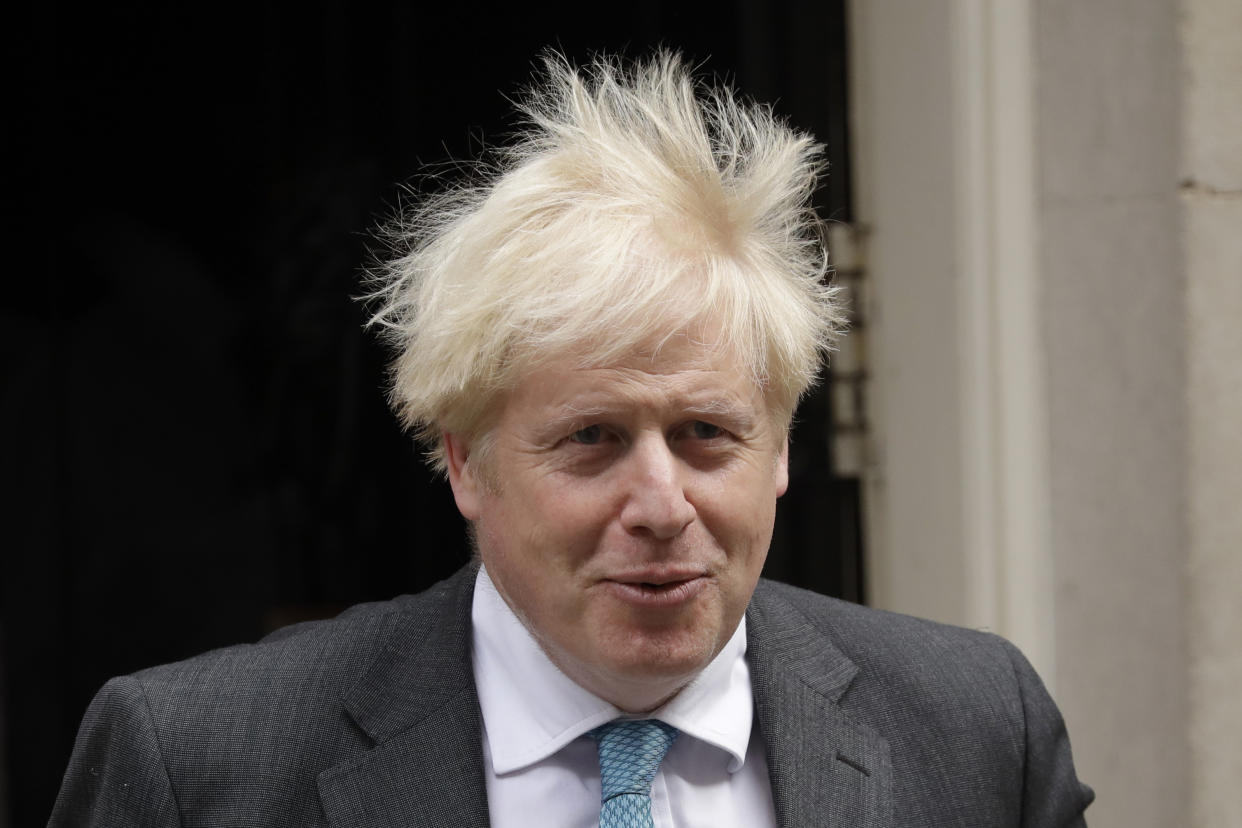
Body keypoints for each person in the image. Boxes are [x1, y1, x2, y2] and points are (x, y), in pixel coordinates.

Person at [50, 52, 1092, 827]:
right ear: (466, 460)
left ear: (780, 450)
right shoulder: (202, 768)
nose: (659, 504)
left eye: (707, 435)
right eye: (592, 438)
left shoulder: (972, 734)